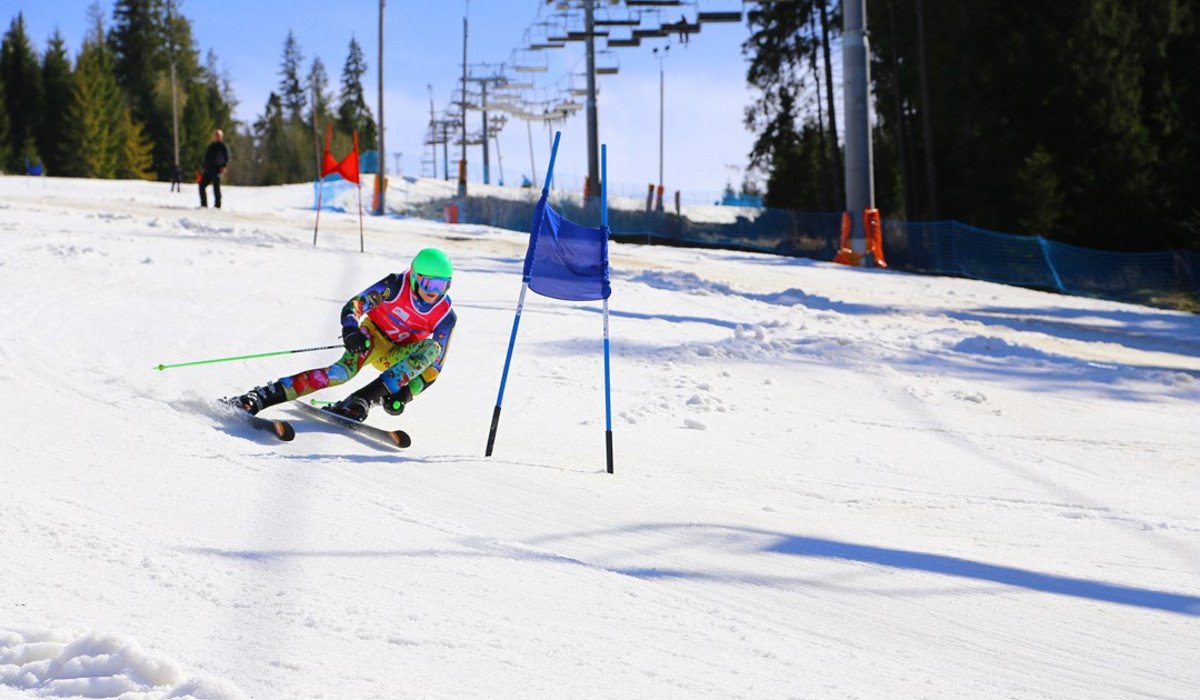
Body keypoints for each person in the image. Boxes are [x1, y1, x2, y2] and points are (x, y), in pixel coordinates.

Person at [231, 248, 457, 423]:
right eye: (429, 283)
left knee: (432, 350)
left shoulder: (445, 316)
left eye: (442, 286)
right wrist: (351, 328)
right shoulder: (396, 285)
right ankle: (260, 396)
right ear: (416, 277)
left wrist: (406, 393)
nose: (433, 292)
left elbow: (434, 369)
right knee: (340, 373)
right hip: (372, 337)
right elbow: (356, 304)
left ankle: (363, 399)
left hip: (398, 357)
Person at [198, 129, 230, 208]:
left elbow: (227, 157)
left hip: (217, 169)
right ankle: (203, 205)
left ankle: (217, 205)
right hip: (208, 170)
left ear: (221, 136)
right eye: (215, 135)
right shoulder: (210, 146)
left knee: (216, 188)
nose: (216, 137)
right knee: (201, 185)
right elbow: (206, 158)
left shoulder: (223, 146)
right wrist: (203, 167)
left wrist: (224, 166)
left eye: (218, 135)